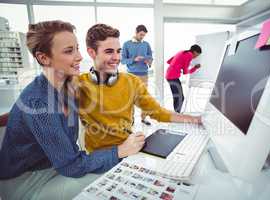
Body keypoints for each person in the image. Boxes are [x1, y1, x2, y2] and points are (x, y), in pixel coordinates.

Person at [0, 20, 144, 200]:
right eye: (69, 51)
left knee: (120, 173)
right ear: (44, 58)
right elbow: (71, 166)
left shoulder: (67, 85)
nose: (79, 57)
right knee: (115, 185)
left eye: (77, 48)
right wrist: (120, 150)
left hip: (55, 165)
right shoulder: (39, 103)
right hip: (28, 182)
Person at [75, 23, 203, 153]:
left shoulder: (131, 82)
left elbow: (158, 112)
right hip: (96, 156)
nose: (116, 58)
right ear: (91, 52)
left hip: (129, 150)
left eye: (118, 51)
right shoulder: (78, 84)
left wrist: (195, 119)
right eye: (109, 52)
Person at [121, 24, 153, 125]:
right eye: (141, 35)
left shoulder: (146, 44)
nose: (142, 37)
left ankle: (143, 118)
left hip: (144, 74)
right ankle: (131, 119)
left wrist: (148, 61)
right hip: (131, 75)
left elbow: (150, 57)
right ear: (136, 32)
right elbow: (122, 60)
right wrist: (134, 59)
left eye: (144, 35)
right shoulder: (127, 44)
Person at [165, 45, 202, 113]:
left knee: (177, 96)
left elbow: (169, 61)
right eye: (196, 55)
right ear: (194, 52)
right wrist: (195, 68)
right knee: (180, 97)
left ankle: (176, 113)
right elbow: (185, 72)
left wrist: (178, 66)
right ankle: (177, 114)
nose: (195, 57)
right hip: (173, 77)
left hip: (169, 75)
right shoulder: (189, 55)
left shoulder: (182, 52)